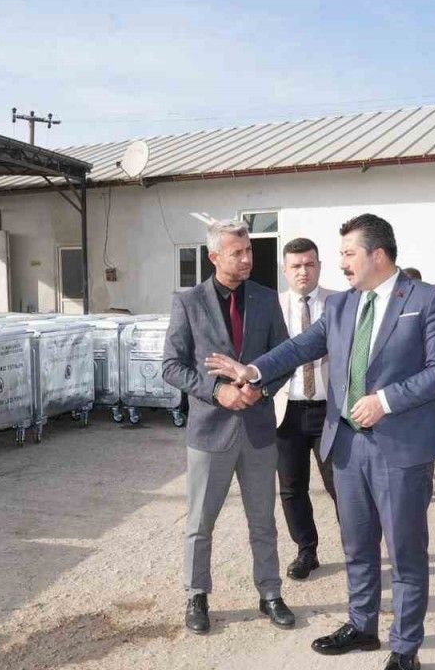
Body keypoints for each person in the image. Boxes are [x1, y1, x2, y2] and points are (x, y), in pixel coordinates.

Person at [206, 213, 435, 670]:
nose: (341, 262)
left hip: (401, 450)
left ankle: (405, 648)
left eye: (348, 253)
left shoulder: (426, 299)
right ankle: (362, 626)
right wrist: (254, 370)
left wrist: (386, 400)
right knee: (357, 546)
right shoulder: (342, 305)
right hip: (347, 446)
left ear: (377, 254)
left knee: (404, 553)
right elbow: (300, 346)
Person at [161, 218, 296, 635]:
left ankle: (270, 593)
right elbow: (171, 366)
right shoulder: (189, 302)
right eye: (237, 252)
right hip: (209, 432)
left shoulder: (266, 299)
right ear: (214, 256)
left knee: (263, 521)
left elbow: (284, 358)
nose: (247, 258)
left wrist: (261, 387)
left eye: (249, 250)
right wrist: (216, 391)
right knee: (200, 523)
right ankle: (196, 595)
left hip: (258, 430)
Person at [275, 237, 339, 580]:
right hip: (286, 412)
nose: (303, 271)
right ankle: (306, 551)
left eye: (309, 264)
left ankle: (358, 550)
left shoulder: (340, 304)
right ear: (285, 270)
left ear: (319, 266)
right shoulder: (273, 307)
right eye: (296, 265)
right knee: (291, 487)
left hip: (330, 412)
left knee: (341, 486)